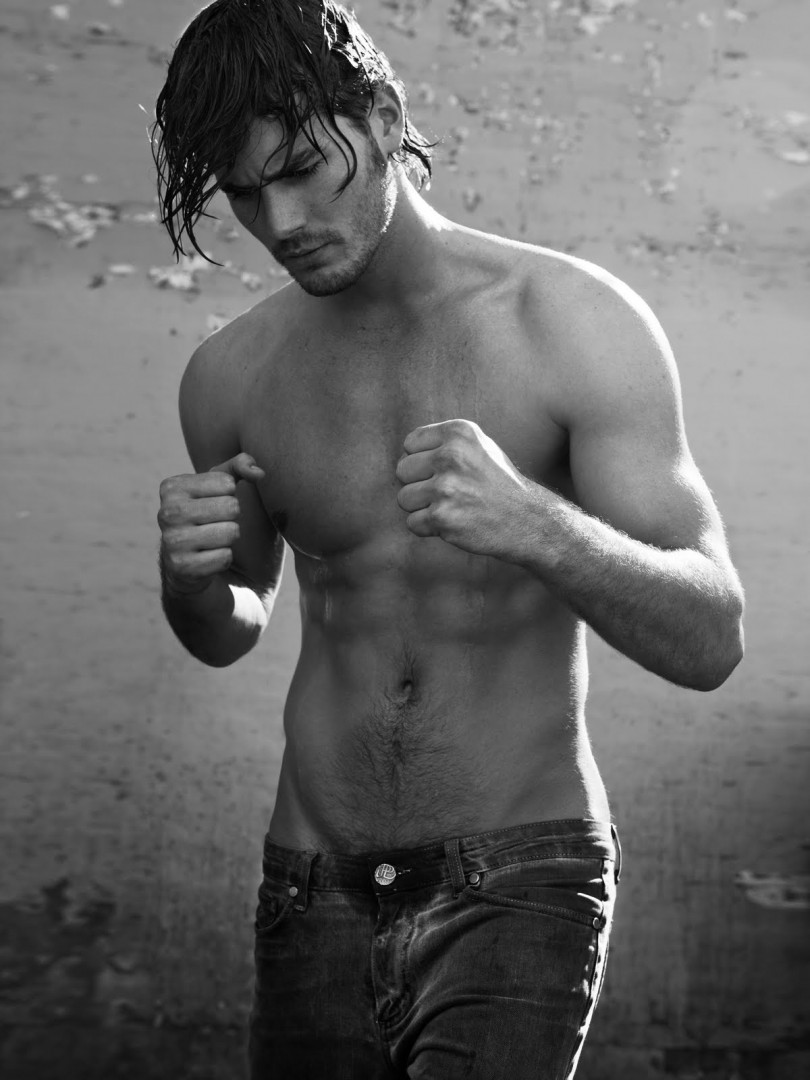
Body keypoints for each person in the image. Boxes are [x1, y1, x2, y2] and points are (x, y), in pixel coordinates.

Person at [152, 2, 744, 1077]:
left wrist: (538, 528)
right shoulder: (229, 375)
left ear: (382, 117)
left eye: (301, 170)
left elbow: (711, 638)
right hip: (310, 884)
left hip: (519, 876)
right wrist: (191, 586)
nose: (282, 221)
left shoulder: (571, 322)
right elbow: (232, 626)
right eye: (244, 193)